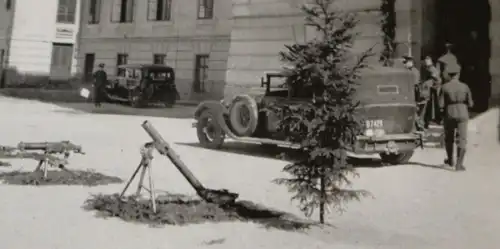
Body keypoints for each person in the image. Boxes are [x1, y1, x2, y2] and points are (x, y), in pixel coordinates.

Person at [439, 63, 474, 171]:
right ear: (458, 74)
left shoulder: (444, 87)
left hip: (449, 113)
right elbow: (471, 103)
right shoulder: (465, 86)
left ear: (449, 75)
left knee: (449, 138)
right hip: (462, 113)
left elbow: (440, 105)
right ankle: (459, 165)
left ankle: (450, 161)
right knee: (462, 138)